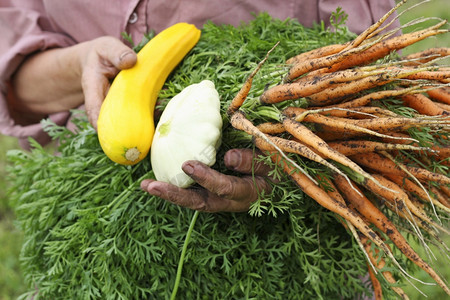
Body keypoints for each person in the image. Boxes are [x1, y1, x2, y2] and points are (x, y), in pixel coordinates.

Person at [0, 0, 399, 212]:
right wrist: (77, 64)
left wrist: (298, 163)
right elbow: (12, 76)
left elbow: (370, 86)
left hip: (298, 214)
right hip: (83, 198)